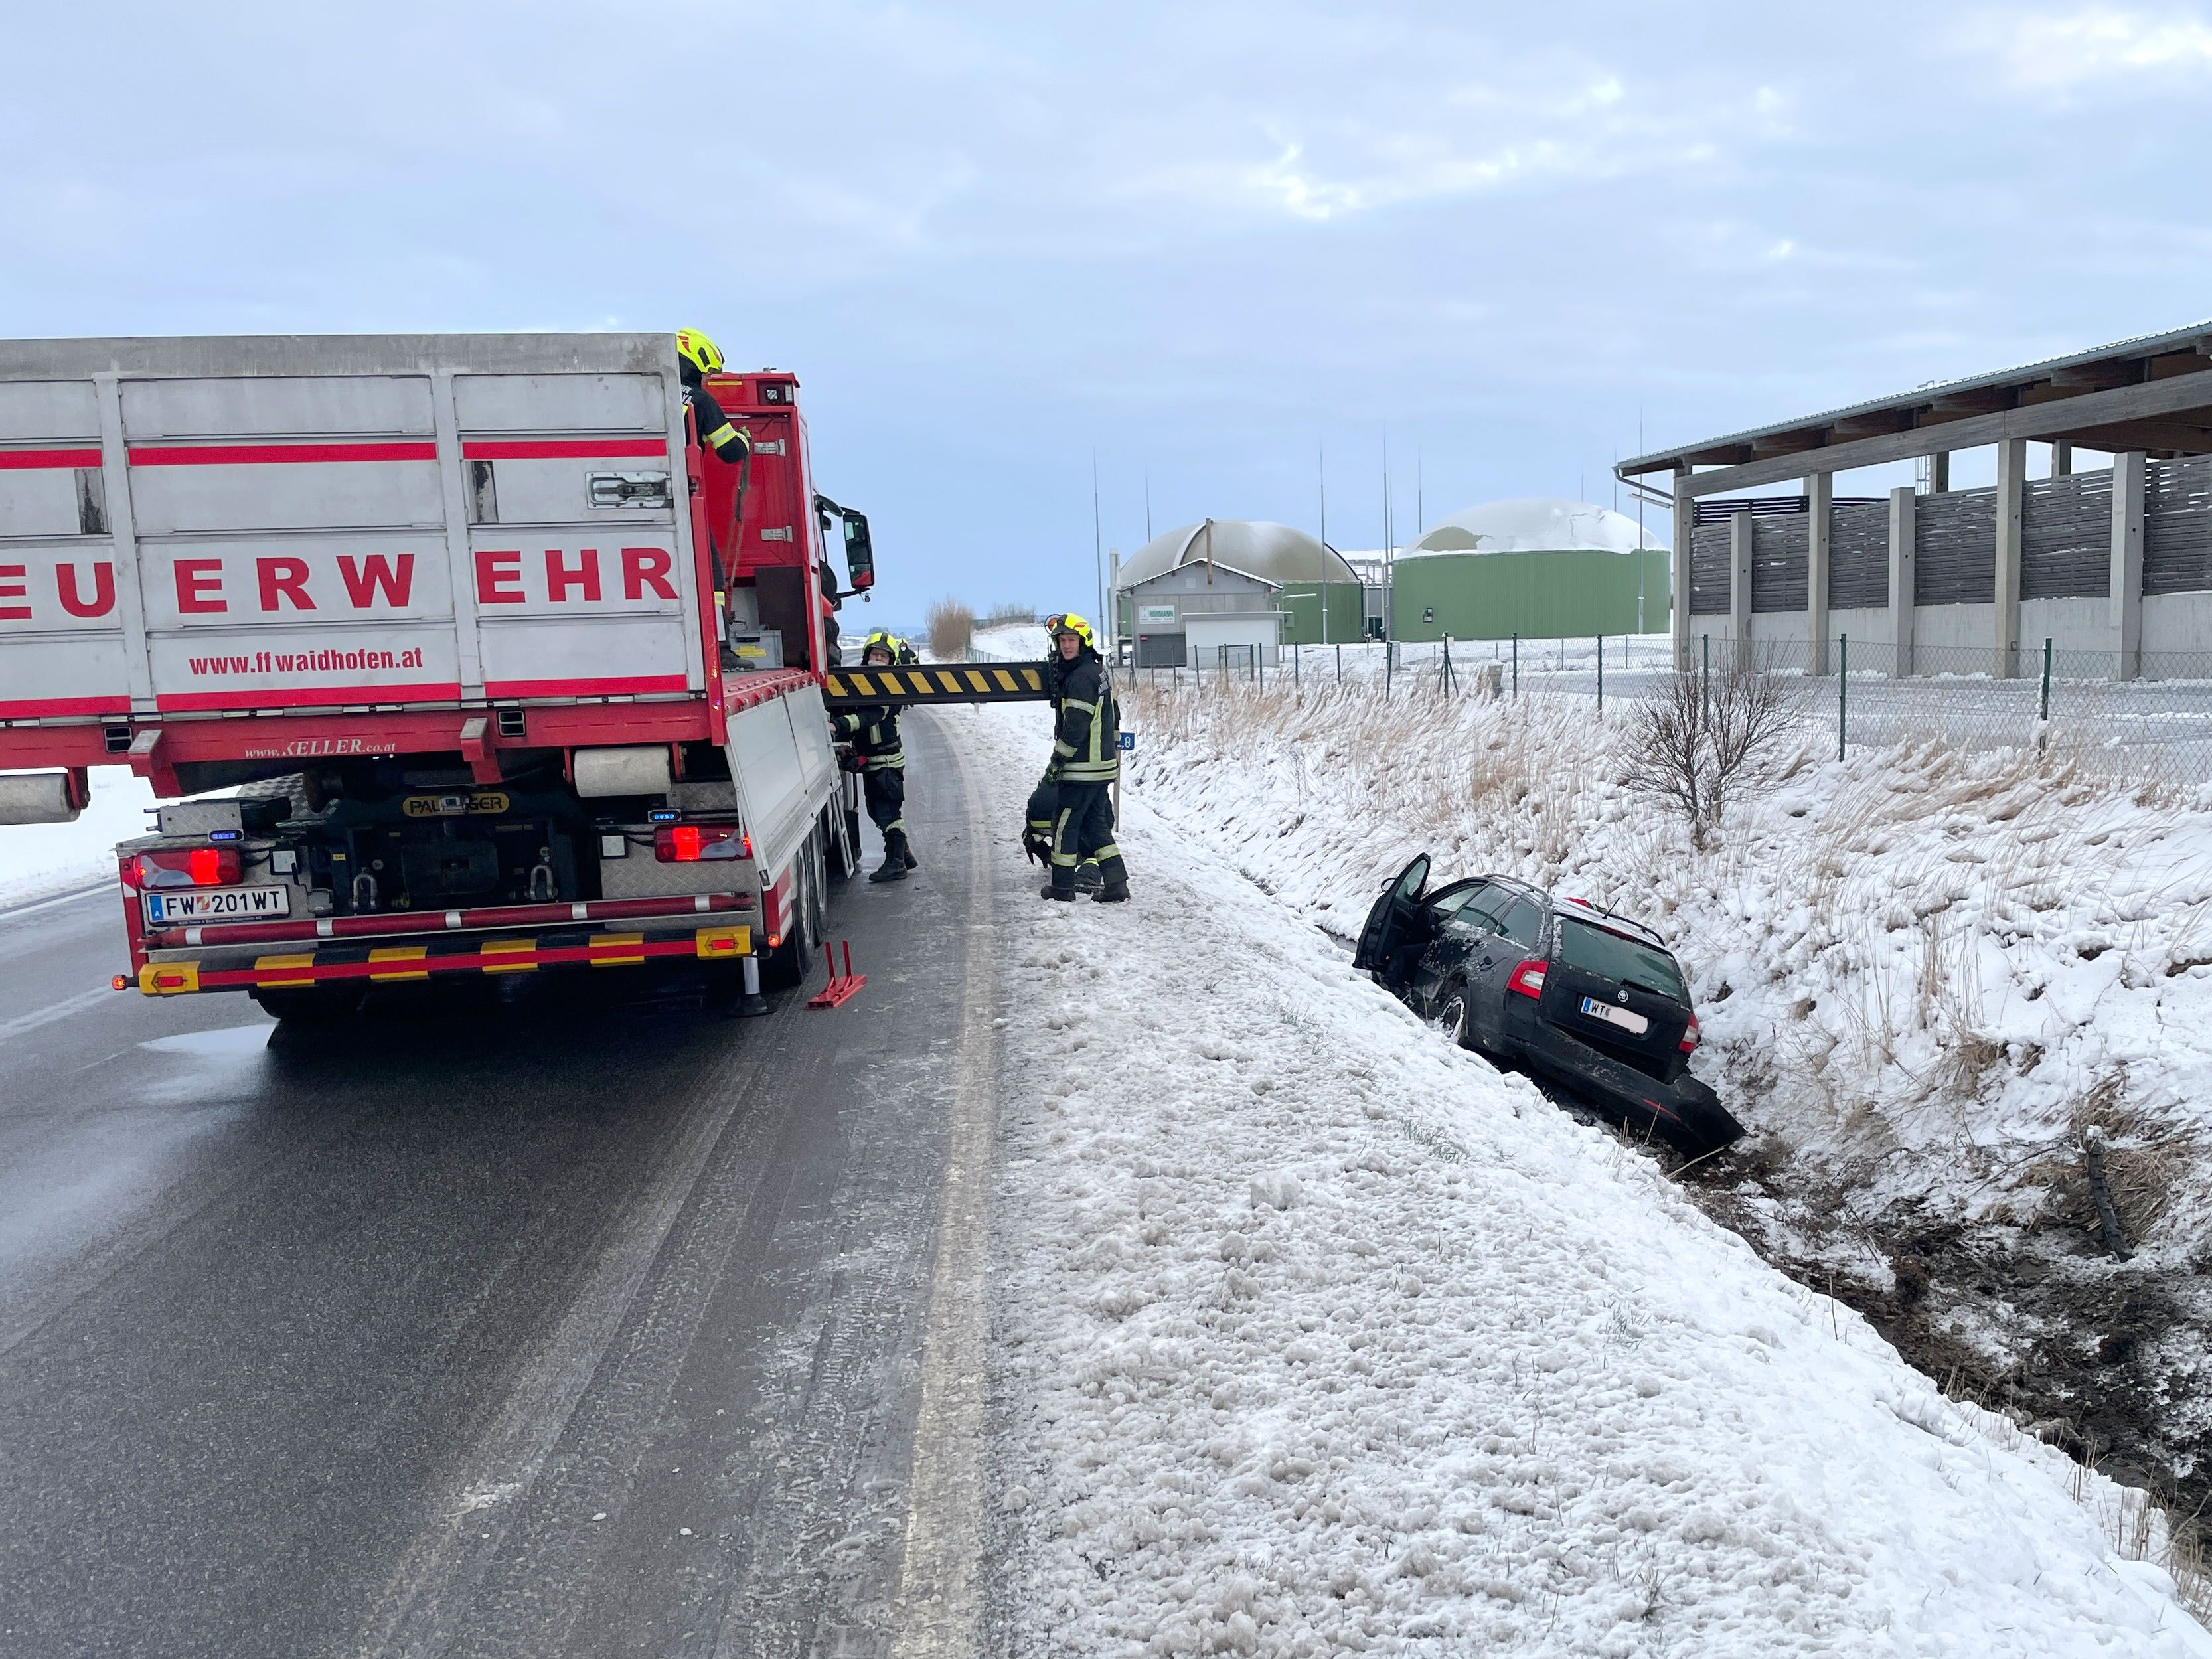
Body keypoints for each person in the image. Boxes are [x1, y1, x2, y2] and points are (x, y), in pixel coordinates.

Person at [1039, 613, 1128, 904]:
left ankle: (1062, 887)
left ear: (1083, 642)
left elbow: (1075, 727)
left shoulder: (1080, 678)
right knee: (1095, 825)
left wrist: (1056, 762)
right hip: (1099, 768)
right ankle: (1117, 884)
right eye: (1062, 640)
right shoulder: (1095, 671)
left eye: (1071, 640)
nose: (1066, 646)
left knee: (1064, 824)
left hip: (1082, 769)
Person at [833, 630, 918, 883]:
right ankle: (904, 855)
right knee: (875, 811)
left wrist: (837, 726)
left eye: (883, 656)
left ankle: (896, 865)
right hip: (873, 761)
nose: (878, 659)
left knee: (888, 812)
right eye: (875, 654)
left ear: (891, 661)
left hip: (887, 762)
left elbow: (869, 717)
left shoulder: (888, 688)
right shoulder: (861, 683)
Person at [675, 328, 752, 466]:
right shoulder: (701, 400)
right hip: (678, 477)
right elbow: (731, 451)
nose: (708, 379)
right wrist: (743, 438)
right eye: (708, 373)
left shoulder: (648, 392)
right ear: (696, 366)